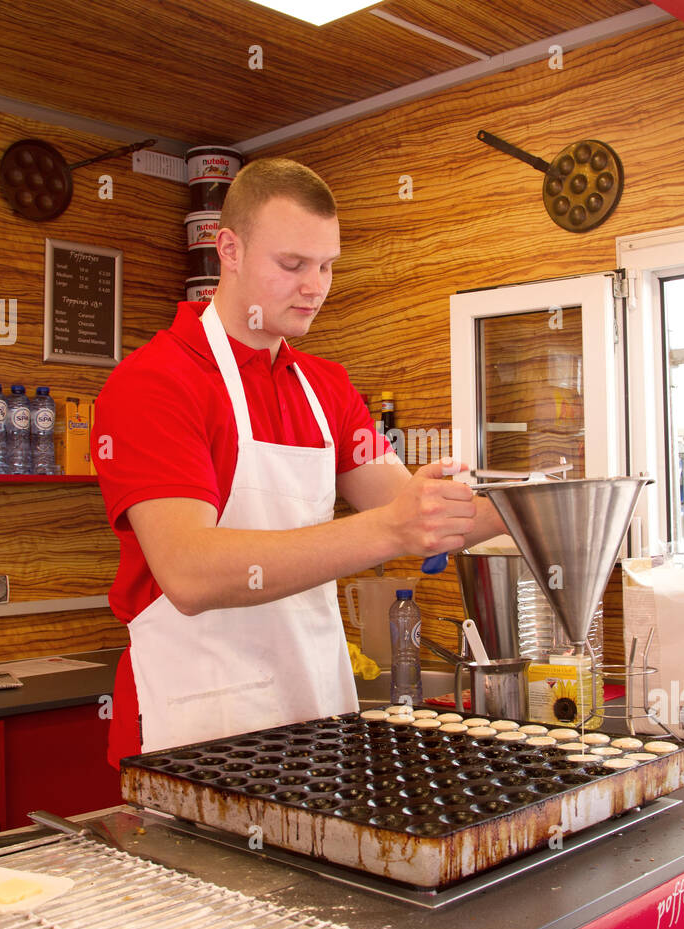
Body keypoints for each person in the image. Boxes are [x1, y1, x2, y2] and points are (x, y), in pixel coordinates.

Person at [93, 157, 505, 765]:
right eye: (292, 265)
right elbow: (188, 572)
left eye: (327, 265)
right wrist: (392, 527)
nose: (315, 286)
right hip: (191, 734)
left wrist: (550, 505)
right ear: (227, 249)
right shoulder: (154, 383)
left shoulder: (325, 388)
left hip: (313, 721)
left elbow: (419, 517)